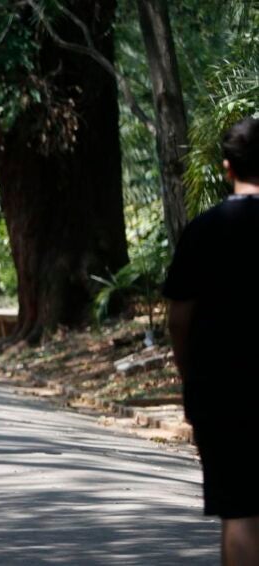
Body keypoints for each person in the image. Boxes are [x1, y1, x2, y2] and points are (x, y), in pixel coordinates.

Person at [165, 117, 259, 565]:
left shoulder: (203, 229)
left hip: (223, 388)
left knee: (239, 510)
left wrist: (189, 377)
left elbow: (179, 318)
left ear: (226, 168)